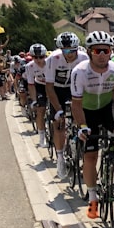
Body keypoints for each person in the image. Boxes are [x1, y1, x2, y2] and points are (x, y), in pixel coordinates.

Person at [70, 31, 114, 218]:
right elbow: (76, 105)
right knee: (91, 156)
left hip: (107, 110)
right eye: (97, 50)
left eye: (106, 50)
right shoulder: (80, 71)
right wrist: (82, 126)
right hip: (88, 113)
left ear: (111, 51)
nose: (102, 54)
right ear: (89, 51)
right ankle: (93, 197)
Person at [45, 32, 88, 179]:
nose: (69, 54)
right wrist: (58, 109)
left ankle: (79, 151)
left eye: (72, 50)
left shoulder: (84, 58)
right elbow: (49, 87)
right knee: (59, 124)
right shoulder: (53, 59)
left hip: (75, 88)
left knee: (82, 120)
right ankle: (60, 158)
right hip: (58, 89)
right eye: (65, 51)